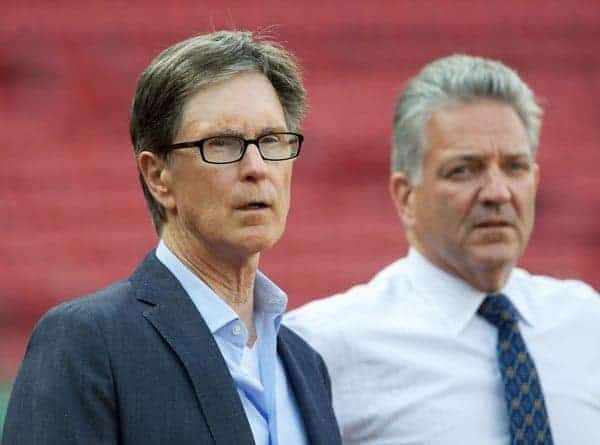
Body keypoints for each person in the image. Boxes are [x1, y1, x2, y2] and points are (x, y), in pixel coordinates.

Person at [3, 30, 341, 445]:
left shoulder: (306, 365)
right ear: (158, 176)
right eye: (221, 143)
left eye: (271, 140)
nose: (257, 167)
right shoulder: (88, 342)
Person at [285, 54, 600, 444]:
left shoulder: (585, 320)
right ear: (405, 196)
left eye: (515, 167)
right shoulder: (326, 344)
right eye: (464, 170)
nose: (498, 193)